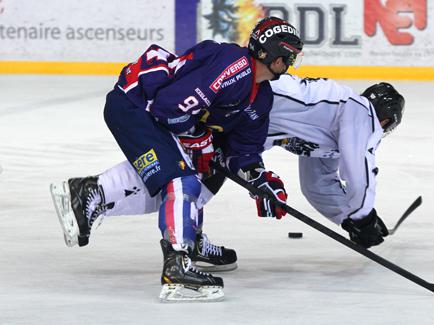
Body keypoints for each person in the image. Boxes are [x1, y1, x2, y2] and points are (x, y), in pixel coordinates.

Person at [51, 16, 304, 303]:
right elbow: (168, 108)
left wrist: (259, 179)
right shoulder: (235, 66)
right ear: (266, 51)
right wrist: (201, 140)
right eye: (286, 54)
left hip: (161, 116)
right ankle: (177, 266)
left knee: (208, 173)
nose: (290, 61)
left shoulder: (261, 98)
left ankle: (98, 195)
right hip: (136, 105)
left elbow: (242, 151)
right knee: (182, 179)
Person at [52, 75, 404, 265]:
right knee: (182, 175)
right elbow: (361, 166)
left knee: (199, 183)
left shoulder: (331, 132)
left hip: (239, 124)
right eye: (385, 124)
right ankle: (96, 190)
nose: (381, 129)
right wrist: (362, 214)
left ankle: (114, 201)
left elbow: (320, 185)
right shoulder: (358, 110)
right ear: (384, 117)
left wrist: (347, 217)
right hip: (231, 101)